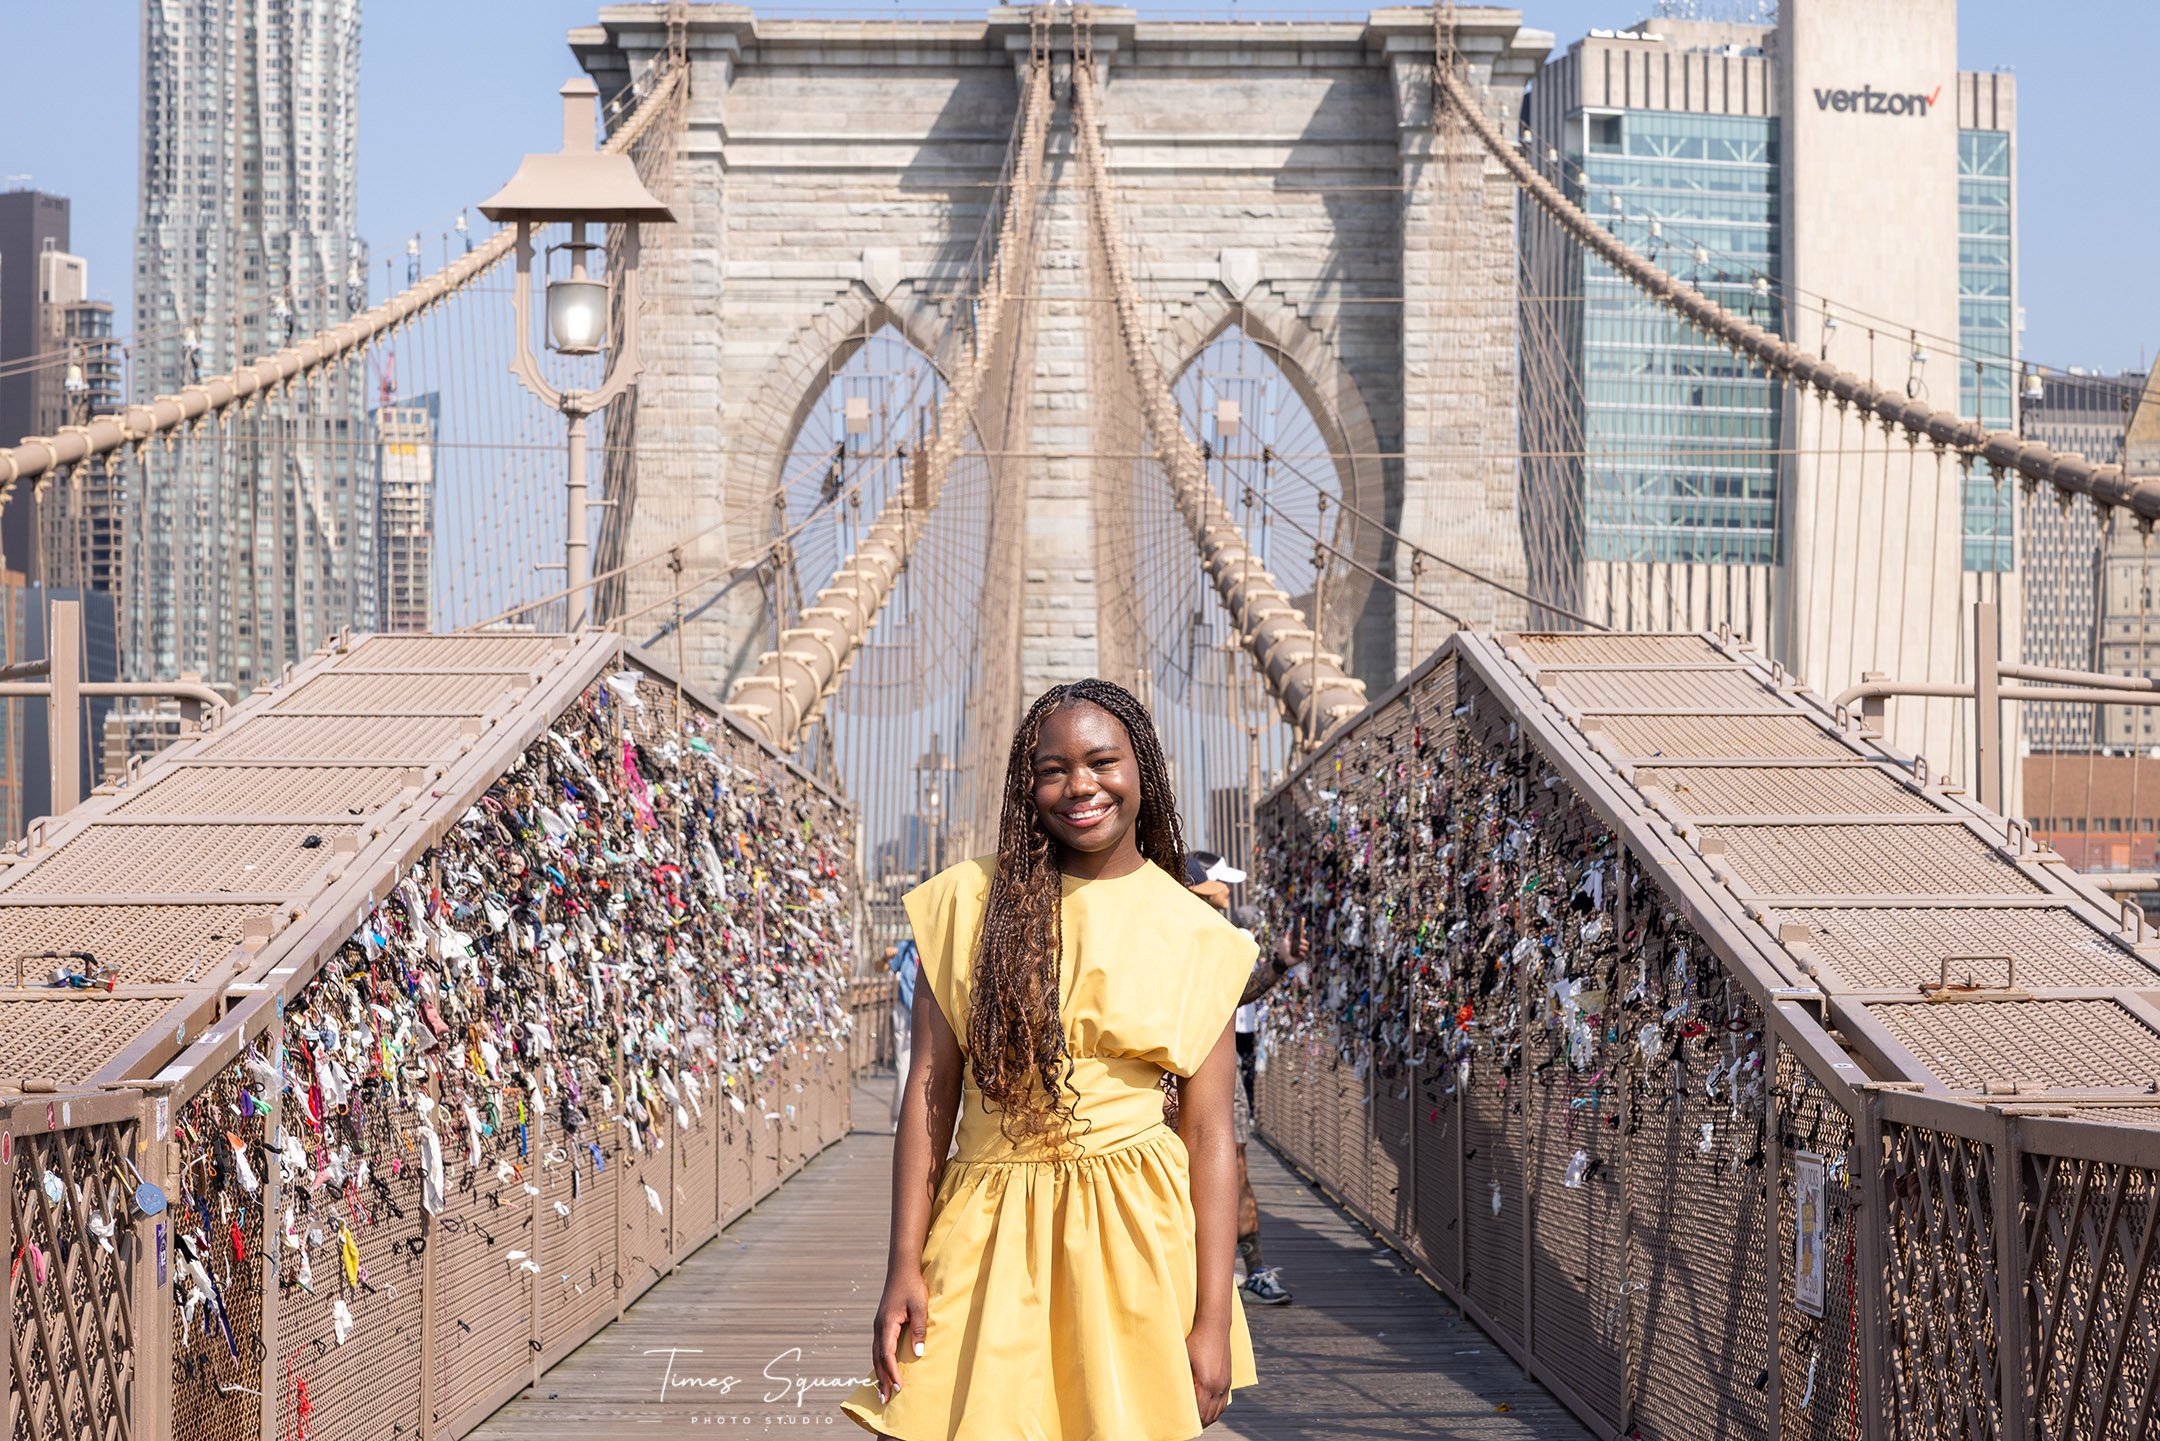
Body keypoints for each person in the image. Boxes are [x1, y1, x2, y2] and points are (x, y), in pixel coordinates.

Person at [843, 678, 1260, 1440]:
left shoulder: (1200, 936)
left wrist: (1211, 1318)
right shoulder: (968, 906)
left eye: (1102, 761)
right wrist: (903, 1261)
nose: (1079, 786)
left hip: (1136, 1235)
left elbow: (1208, 1138)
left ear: (1145, 768)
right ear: (1024, 785)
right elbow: (930, 1096)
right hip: (983, 1224)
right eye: (1051, 769)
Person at [1178, 856, 1305, 1306]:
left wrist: (1276, 965)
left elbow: (1234, 992)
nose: (1221, 901)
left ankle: (1253, 1270)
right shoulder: (1164, 933)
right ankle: (1187, 1275)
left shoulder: (1215, 940)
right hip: (1161, 1080)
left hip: (1215, 1074)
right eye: (1212, 892)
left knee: (1235, 1172)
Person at [885, 940, 919, 1133]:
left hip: (932, 1015)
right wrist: (885, 957)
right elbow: (880, 967)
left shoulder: (940, 944)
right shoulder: (906, 948)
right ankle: (900, 1118)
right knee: (904, 1069)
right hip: (906, 1012)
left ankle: (920, 1119)